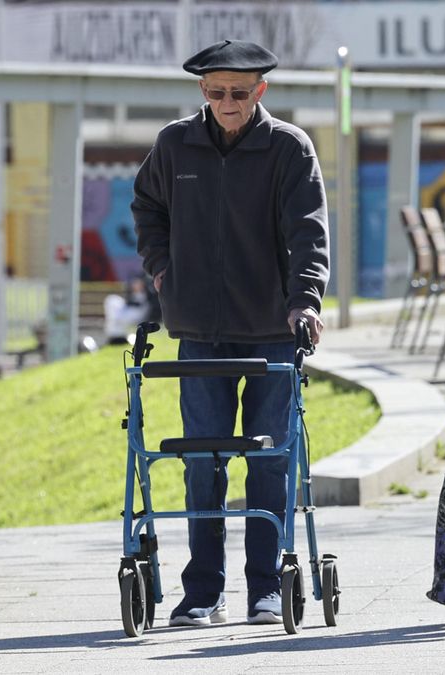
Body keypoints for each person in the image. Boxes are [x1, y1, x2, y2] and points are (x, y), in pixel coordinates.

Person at [132, 39, 329, 626]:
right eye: (216, 93)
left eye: (239, 93)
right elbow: (147, 207)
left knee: (268, 461)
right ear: (202, 92)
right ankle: (202, 593)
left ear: (260, 91)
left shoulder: (289, 147)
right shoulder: (174, 145)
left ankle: (265, 588)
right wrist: (162, 267)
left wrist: (306, 301)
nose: (228, 102)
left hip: (271, 330)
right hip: (199, 331)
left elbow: (310, 232)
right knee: (204, 462)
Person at [104, 274, 160, 345]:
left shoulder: (146, 294)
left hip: (137, 314)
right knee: (111, 300)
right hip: (127, 312)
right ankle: (115, 336)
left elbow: (144, 307)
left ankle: (117, 336)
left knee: (116, 320)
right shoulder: (131, 294)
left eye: (137, 283)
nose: (135, 285)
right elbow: (127, 303)